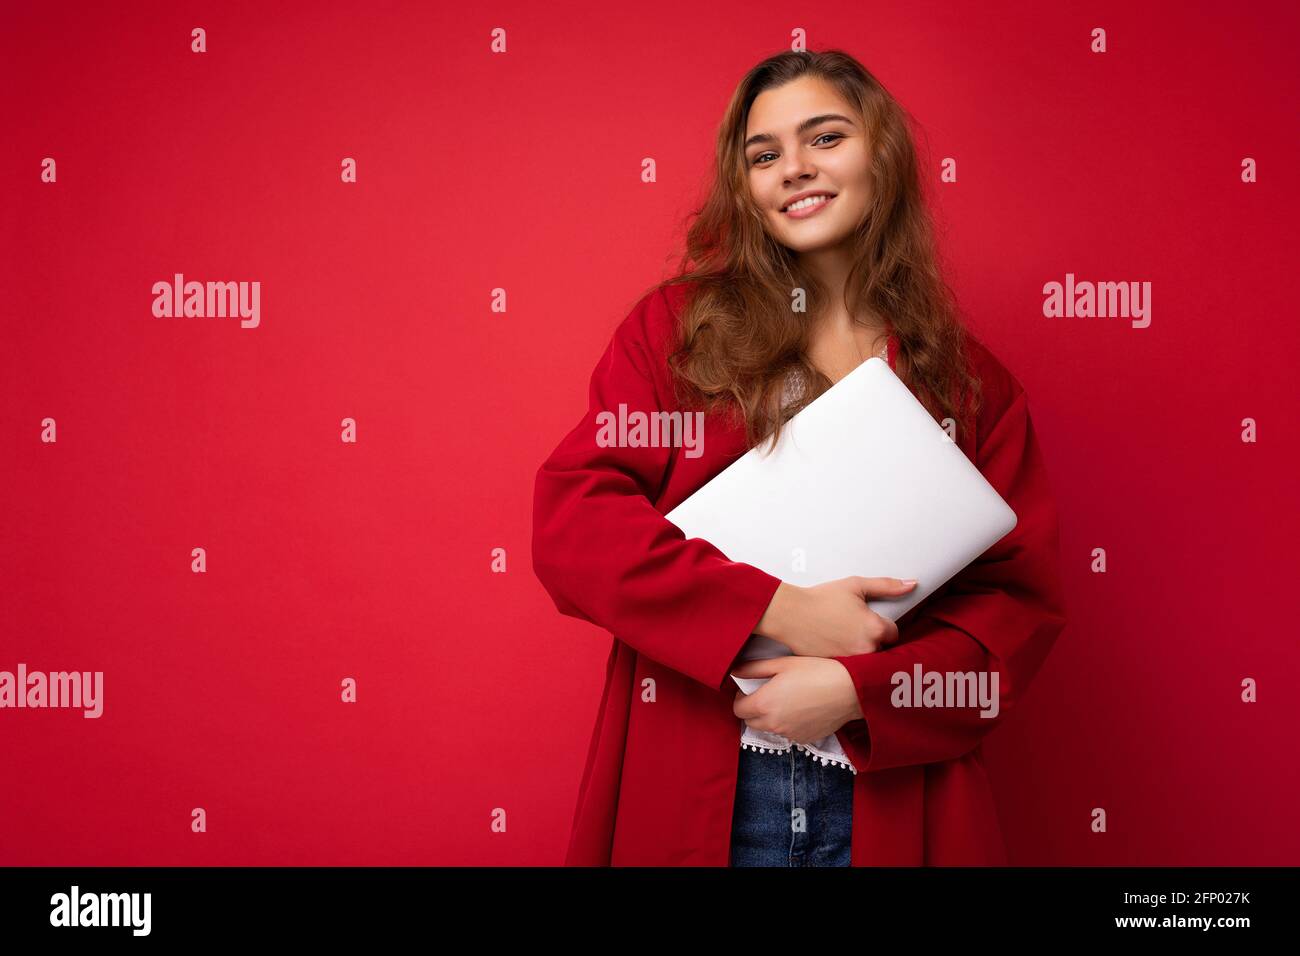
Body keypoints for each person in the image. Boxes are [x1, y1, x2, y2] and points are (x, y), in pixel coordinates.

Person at [531, 49, 1068, 866]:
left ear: (880, 155)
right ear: (744, 185)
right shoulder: (677, 334)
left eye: (824, 138)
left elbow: (1015, 612)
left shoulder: (968, 381)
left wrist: (861, 691)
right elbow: (576, 524)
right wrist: (772, 606)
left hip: (888, 790)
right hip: (702, 774)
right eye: (764, 154)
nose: (794, 169)